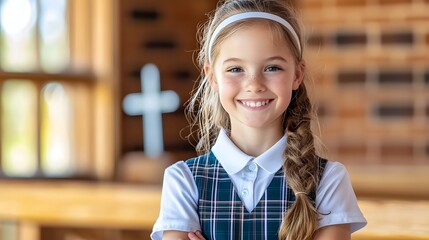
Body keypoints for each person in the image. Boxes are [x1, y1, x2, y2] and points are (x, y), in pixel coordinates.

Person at [151, 0, 367, 239]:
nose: (254, 85)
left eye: (272, 68)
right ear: (212, 77)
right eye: (235, 69)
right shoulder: (183, 181)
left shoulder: (329, 180)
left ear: (297, 74)